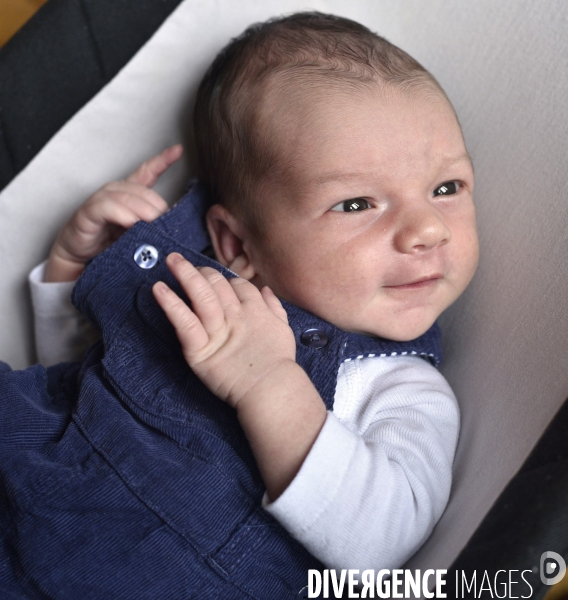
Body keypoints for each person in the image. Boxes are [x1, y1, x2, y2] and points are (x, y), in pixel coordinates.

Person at [1, 12, 478, 598]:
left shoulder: (398, 387)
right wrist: (71, 270)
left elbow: (383, 544)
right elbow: (77, 390)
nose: (428, 228)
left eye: (446, 188)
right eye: (357, 204)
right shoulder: (195, 286)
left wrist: (270, 385)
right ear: (237, 245)